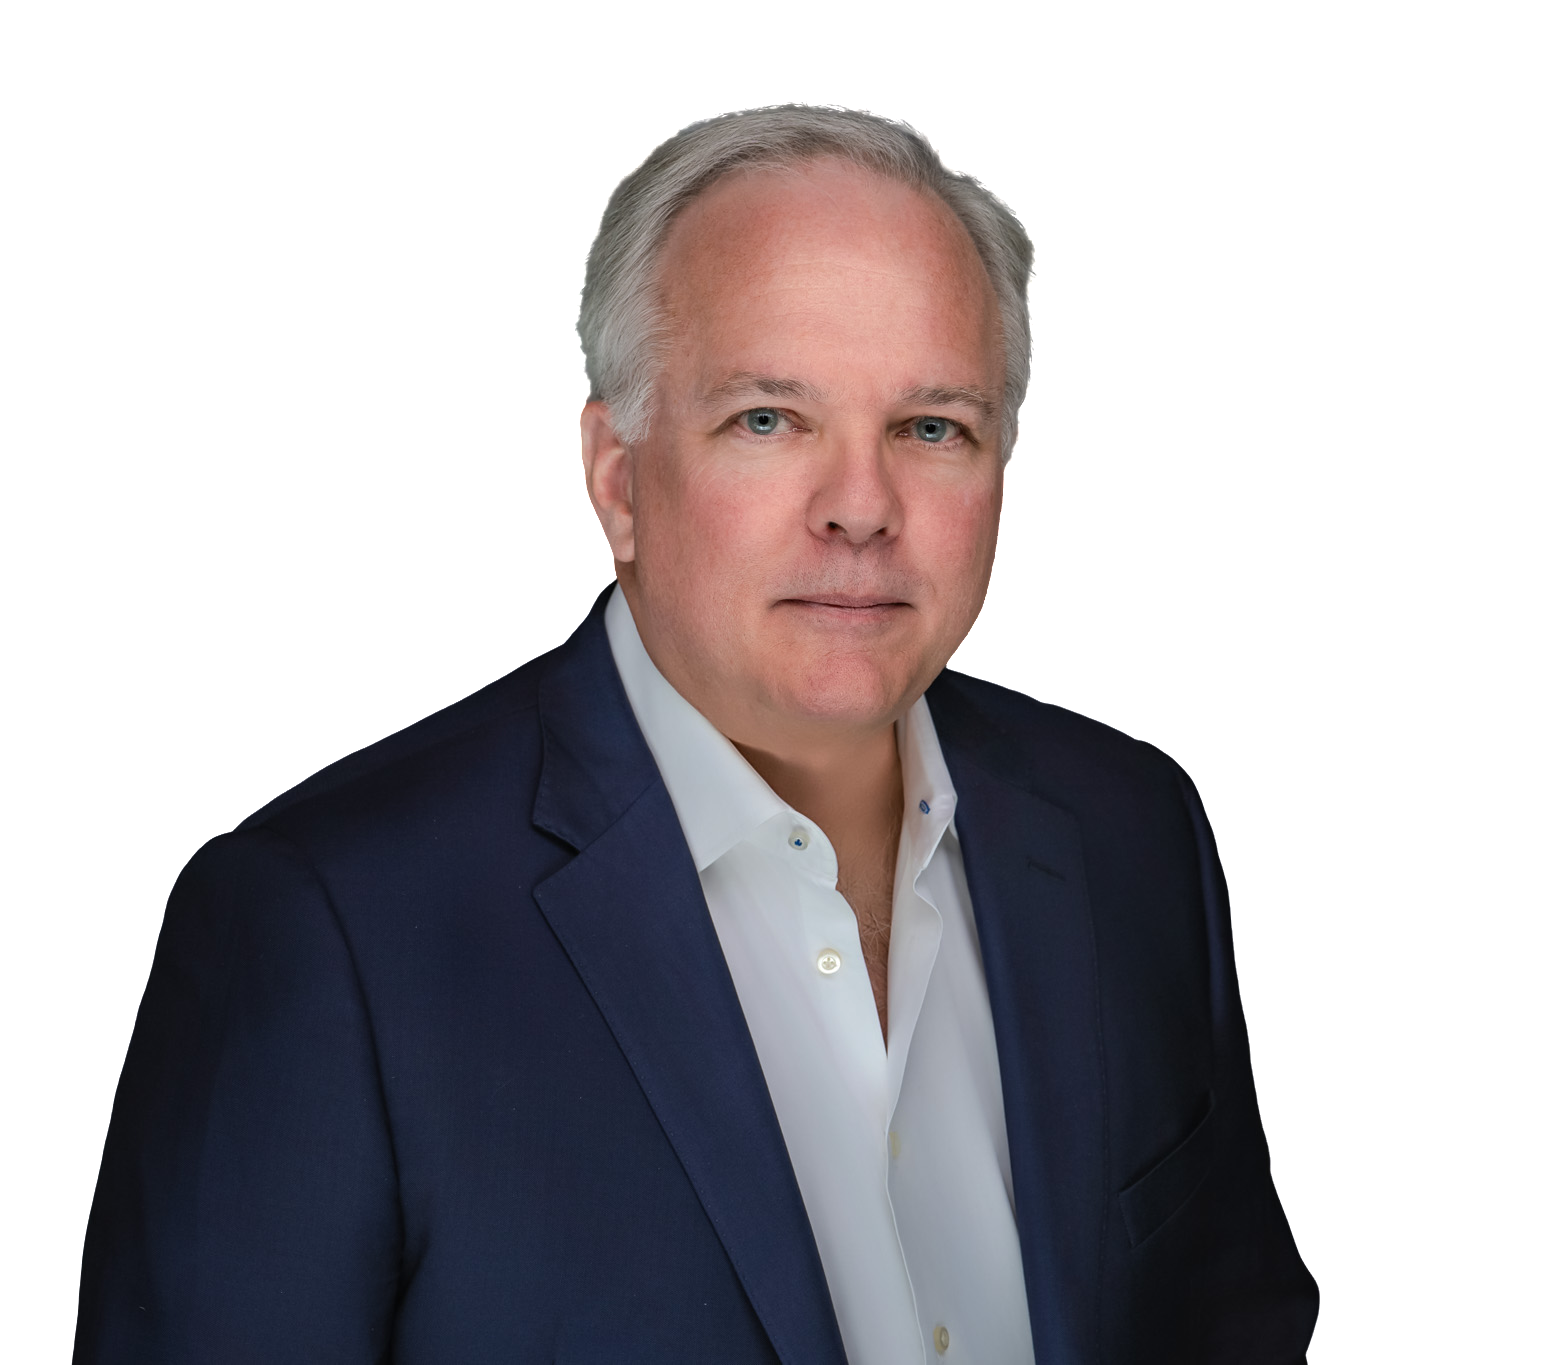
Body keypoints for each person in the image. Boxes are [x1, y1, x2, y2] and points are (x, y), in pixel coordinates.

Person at [77, 98, 1318, 1363]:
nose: (858, 508)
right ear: (616, 476)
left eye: (929, 426)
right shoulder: (321, 932)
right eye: (768, 420)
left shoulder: (1129, 827)